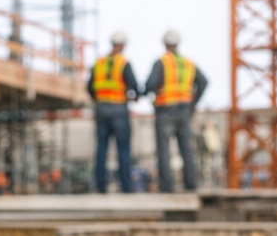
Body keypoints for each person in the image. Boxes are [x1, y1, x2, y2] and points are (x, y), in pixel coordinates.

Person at [146, 29, 208, 192]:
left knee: (164, 151)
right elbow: (203, 82)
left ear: (165, 43)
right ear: (178, 43)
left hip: (166, 111)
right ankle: (190, 185)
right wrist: (192, 104)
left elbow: (150, 85)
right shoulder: (188, 63)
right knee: (187, 149)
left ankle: (167, 187)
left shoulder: (162, 62)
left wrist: (149, 93)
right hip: (184, 111)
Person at [89, 31, 139, 193]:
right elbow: (135, 86)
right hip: (118, 109)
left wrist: (99, 99)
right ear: (123, 45)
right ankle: (126, 186)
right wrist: (134, 97)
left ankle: (100, 186)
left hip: (101, 109)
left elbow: (90, 87)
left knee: (101, 149)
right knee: (123, 149)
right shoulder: (123, 63)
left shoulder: (99, 63)